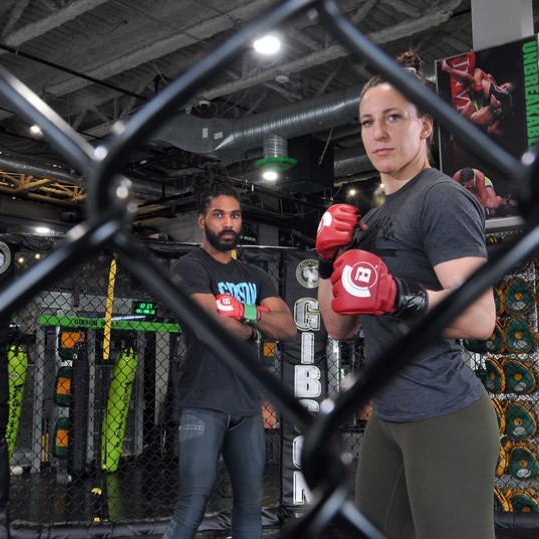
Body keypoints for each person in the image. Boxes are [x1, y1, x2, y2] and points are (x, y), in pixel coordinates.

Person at [316, 51, 499, 538]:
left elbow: (480, 318)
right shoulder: (371, 221)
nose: (378, 133)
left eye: (394, 117)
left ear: (425, 126)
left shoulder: (440, 198)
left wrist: (399, 295)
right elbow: (338, 327)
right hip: (388, 415)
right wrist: (326, 262)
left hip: (444, 413)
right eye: (367, 122)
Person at [165, 166, 297, 539]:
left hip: (246, 405)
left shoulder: (255, 275)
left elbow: (287, 328)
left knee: (250, 506)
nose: (228, 223)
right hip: (204, 400)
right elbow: (212, 330)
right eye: (219, 215)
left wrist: (245, 312)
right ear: (202, 220)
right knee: (192, 504)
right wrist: (258, 321)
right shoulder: (189, 268)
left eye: (235, 215)